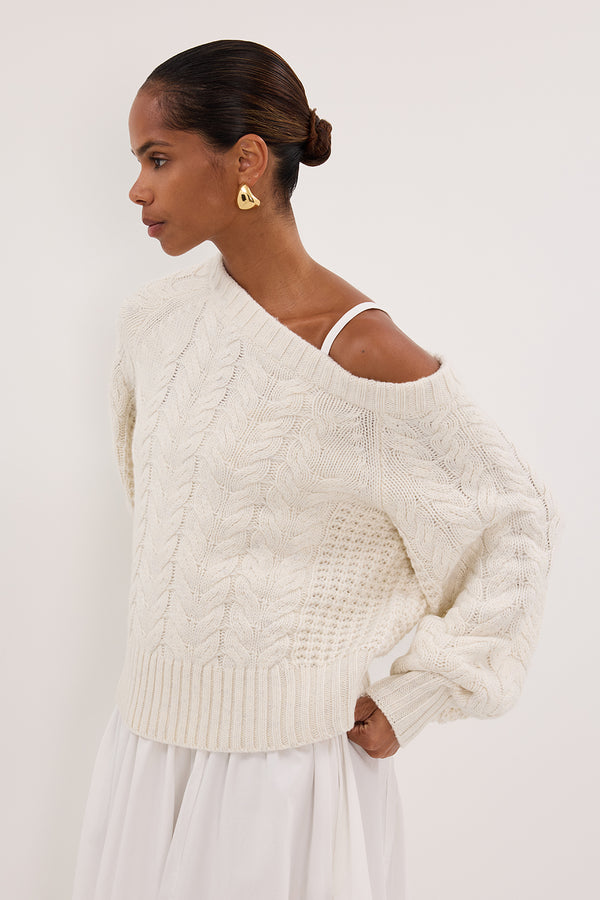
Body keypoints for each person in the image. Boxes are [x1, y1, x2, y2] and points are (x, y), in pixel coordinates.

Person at [71, 39, 560, 900]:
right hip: (146, 748)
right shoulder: (153, 323)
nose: (138, 189)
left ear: (246, 162)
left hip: (283, 777)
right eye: (138, 162)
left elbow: (512, 524)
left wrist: (423, 692)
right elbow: (166, 520)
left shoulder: (361, 353)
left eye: (159, 159)